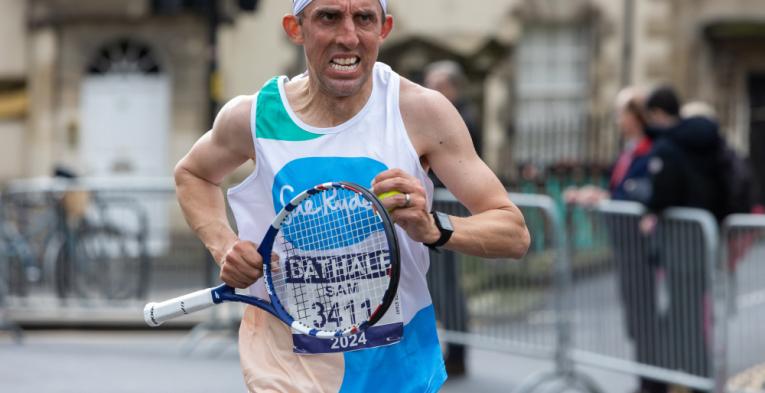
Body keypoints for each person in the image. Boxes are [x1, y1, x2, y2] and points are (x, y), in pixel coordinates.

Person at [173, 1, 530, 392]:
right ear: (296, 28)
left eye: (363, 18)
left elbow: (513, 232)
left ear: (384, 29)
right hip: (288, 370)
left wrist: (432, 227)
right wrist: (224, 246)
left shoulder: (418, 111)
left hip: (396, 370)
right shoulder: (254, 117)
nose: (348, 36)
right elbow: (192, 174)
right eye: (329, 17)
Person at [638, 85, 722, 393]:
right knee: (691, 315)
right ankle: (693, 380)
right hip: (702, 238)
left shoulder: (668, 146)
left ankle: (696, 382)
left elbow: (663, 193)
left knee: (684, 316)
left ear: (659, 113)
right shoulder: (705, 140)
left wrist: (650, 206)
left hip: (682, 243)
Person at [422, 60, 476, 377]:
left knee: (448, 284)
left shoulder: (460, 120)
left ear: (454, 88)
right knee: (437, 285)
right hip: (434, 207)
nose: (433, 90)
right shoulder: (434, 118)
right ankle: (451, 348)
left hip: (448, 209)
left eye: (440, 85)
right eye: (430, 83)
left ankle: (458, 352)